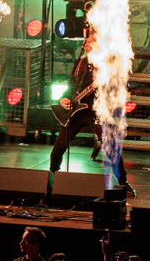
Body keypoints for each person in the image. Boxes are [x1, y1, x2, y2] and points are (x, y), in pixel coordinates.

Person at [48, 24, 128, 190]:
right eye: (86, 42)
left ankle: (123, 183)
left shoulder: (108, 64)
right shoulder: (81, 63)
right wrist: (63, 99)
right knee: (59, 147)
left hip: (97, 112)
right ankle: (51, 178)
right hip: (77, 111)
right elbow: (71, 87)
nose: (87, 45)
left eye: (91, 42)